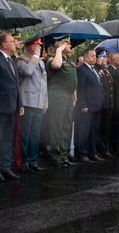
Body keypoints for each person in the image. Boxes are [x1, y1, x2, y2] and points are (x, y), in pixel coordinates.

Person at [0, 32, 24, 181]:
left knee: (8, 138)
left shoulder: (10, 60)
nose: (15, 43)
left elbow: (15, 84)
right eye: (12, 41)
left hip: (12, 105)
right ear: (4, 44)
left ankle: (5, 166)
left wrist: (19, 103)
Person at [16, 37, 48, 172]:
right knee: (25, 134)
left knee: (35, 134)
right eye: (37, 46)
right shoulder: (22, 60)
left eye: (39, 46)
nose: (39, 48)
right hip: (28, 101)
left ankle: (32, 160)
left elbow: (44, 83)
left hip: (39, 102)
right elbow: (27, 71)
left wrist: (46, 102)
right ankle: (23, 162)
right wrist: (35, 57)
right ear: (30, 46)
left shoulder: (40, 61)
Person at [46, 38, 78, 167]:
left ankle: (64, 154)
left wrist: (75, 95)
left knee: (67, 125)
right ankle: (56, 155)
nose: (70, 45)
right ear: (60, 45)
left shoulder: (69, 60)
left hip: (69, 95)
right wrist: (58, 49)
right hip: (57, 95)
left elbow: (73, 78)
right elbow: (56, 66)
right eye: (67, 43)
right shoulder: (52, 58)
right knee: (57, 126)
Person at [74, 48, 105, 162]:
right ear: (86, 57)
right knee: (84, 131)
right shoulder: (81, 69)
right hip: (87, 106)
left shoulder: (94, 69)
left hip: (97, 104)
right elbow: (80, 88)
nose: (95, 58)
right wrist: (82, 105)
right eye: (92, 56)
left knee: (94, 130)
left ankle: (92, 152)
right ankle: (82, 153)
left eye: (95, 56)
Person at [96, 50, 116, 157]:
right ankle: (100, 149)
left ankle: (105, 148)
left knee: (106, 128)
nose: (105, 59)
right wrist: (98, 64)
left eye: (106, 57)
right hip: (102, 104)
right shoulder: (97, 69)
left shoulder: (106, 70)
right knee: (100, 128)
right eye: (102, 57)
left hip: (109, 103)